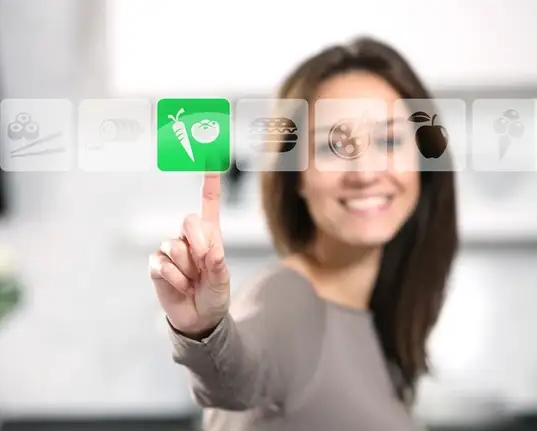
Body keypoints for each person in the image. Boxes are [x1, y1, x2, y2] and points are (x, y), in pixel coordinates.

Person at [148, 37, 458, 431]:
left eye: (389, 140)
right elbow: (235, 379)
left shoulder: (380, 315)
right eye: (333, 145)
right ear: (295, 176)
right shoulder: (286, 300)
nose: (364, 173)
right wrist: (205, 330)